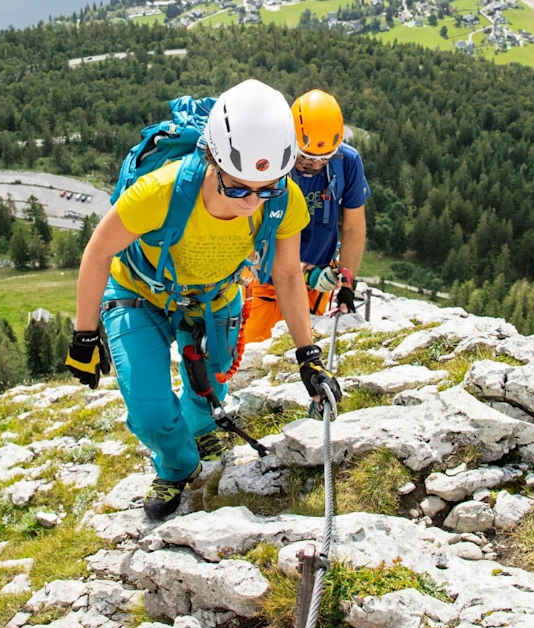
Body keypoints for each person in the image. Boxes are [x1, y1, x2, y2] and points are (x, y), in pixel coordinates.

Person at [65, 79, 343, 522]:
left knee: (210, 387)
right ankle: (177, 464)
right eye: (238, 189)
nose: (252, 202)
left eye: (266, 188)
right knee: (151, 410)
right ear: (212, 161)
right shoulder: (162, 190)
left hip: (216, 298)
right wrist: (83, 335)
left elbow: (288, 274)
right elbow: (99, 252)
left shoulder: (282, 200)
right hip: (139, 292)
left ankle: (200, 429)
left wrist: (308, 356)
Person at [242, 89, 371, 344]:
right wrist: (306, 272)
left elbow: (354, 228)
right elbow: (249, 231)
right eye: (308, 157)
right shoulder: (268, 163)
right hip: (265, 283)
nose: (316, 164)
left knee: (301, 357)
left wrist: (346, 284)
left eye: (325, 158)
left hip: (315, 286)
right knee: (253, 356)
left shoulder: (346, 161)